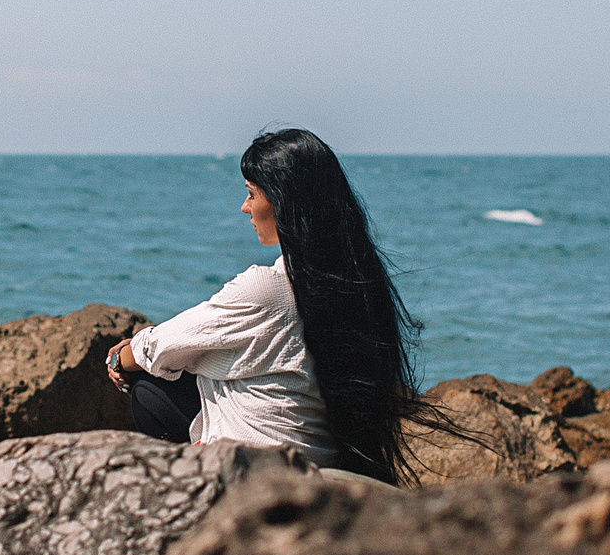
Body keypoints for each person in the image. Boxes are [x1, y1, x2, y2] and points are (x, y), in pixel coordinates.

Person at [103, 128, 423, 483]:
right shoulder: (359, 282)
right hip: (330, 460)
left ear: (284, 201)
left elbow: (162, 346)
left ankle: (191, 485)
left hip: (256, 470)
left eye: (251, 194)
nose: (245, 207)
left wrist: (119, 357)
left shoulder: (268, 288)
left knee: (149, 386)